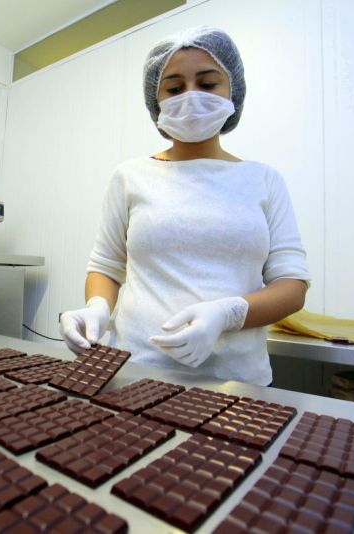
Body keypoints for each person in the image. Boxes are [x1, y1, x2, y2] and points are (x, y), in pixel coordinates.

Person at [59, 26, 310, 386]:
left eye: (208, 85)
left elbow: (292, 285)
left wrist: (228, 314)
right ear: (156, 100)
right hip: (137, 373)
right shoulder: (130, 176)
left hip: (238, 384)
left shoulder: (264, 180)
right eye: (174, 88)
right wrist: (96, 308)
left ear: (233, 91)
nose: (190, 98)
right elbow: (106, 266)